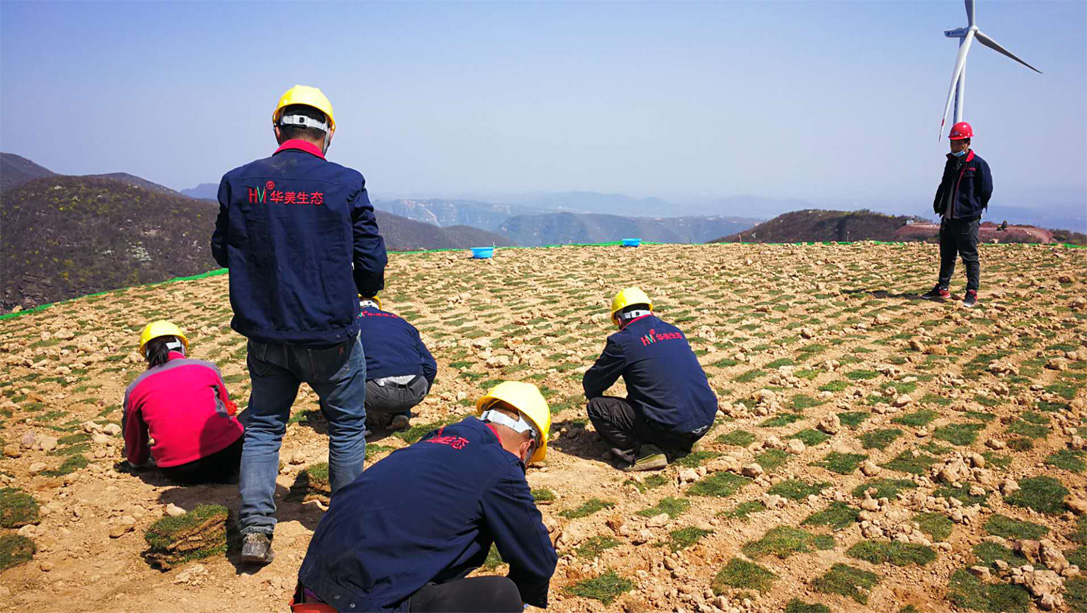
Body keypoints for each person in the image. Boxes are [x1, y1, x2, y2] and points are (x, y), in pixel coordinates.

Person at [211, 85, 388, 564]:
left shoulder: (237, 181)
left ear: (277, 128)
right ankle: (346, 529)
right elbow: (371, 258)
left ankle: (254, 532)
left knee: (266, 429)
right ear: (327, 135)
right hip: (330, 333)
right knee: (348, 427)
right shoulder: (345, 182)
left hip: (266, 332)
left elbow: (222, 250)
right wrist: (364, 289)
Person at [293, 381, 557, 613]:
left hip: (311, 585)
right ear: (527, 447)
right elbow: (539, 562)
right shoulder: (501, 466)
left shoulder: (433, 441)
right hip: (360, 602)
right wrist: (524, 596)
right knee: (502, 597)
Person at [583, 288, 717, 471]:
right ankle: (684, 442)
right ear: (650, 311)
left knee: (597, 408)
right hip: (705, 420)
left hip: (669, 426)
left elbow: (593, 384)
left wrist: (594, 393)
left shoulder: (622, 341)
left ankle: (641, 453)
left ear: (620, 319)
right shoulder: (674, 331)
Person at [123, 321, 244, 484]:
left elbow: (134, 434)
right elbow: (227, 408)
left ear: (147, 354)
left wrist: (137, 461)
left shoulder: (135, 389)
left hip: (177, 471)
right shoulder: (207, 368)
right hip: (228, 458)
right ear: (182, 346)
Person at [922, 121, 993, 308]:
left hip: (967, 219)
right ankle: (942, 287)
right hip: (948, 217)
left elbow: (986, 191)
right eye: (952, 142)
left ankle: (972, 292)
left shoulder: (978, 165)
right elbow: (944, 185)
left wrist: (972, 210)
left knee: (969, 256)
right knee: (947, 255)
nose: (954, 146)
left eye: (958, 142)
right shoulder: (951, 163)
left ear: (967, 143)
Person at [357, 295, 437, 434]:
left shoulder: (350, 323)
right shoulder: (401, 322)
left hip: (377, 394)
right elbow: (430, 366)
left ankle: (359, 426)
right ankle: (401, 412)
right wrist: (421, 392)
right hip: (416, 391)